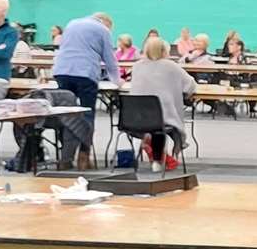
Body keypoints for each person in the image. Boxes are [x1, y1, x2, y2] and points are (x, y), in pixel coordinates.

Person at [50, 11, 121, 170]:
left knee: (65, 115)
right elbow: (109, 58)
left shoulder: (71, 23)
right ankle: (84, 155)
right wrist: (117, 81)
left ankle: (65, 158)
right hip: (85, 74)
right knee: (87, 115)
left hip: (62, 71)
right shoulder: (103, 30)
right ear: (106, 23)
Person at [125, 35, 194, 171]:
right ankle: (157, 160)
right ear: (164, 50)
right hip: (161, 118)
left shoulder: (137, 66)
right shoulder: (171, 66)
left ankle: (149, 142)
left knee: (154, 123)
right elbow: (190, 85)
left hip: (135, 119)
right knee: (159, 124)